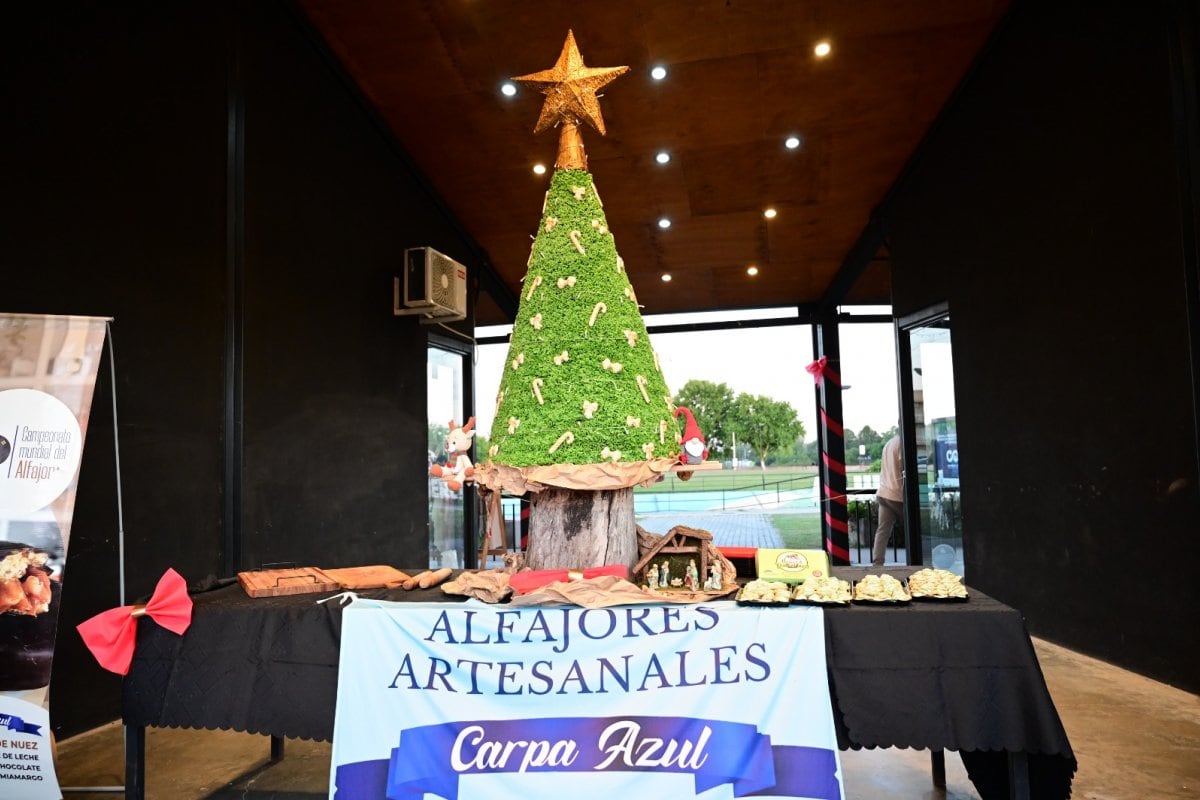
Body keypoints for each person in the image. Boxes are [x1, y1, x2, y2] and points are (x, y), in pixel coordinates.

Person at [873, 435, 904, 568]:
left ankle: (877, 564)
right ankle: (920, 562)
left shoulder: (889, 443)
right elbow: (904, 468)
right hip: (897, 495)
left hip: (884, 493)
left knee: (883, 531)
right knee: (915, 528)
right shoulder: (902, 444)